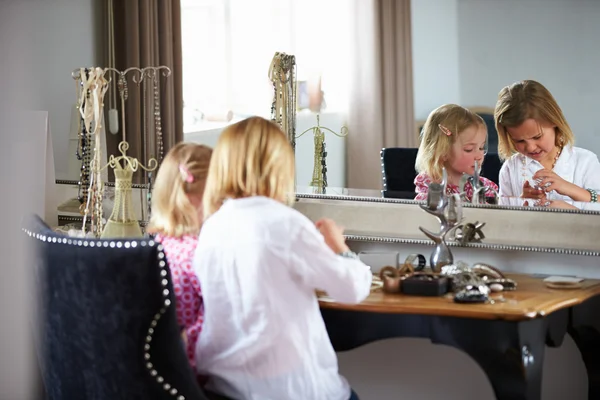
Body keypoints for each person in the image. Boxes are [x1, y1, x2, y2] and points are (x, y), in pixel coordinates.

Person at [193, 116, 371, 400]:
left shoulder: (211, 228)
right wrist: (340, 248)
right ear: (279, 165)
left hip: (227, 389)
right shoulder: (286, 224)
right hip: (291, 390)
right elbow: (351, 290)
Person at [146, 142, 213, 373]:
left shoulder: (154, 244)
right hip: (190, 372)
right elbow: (221, 322)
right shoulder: (200, 255)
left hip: (157, 371)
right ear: (194, 198)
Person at [494, 79, 600, 208]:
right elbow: (504, 218)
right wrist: (522, 202)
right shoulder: (511, 168)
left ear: (554, 121)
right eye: (519, 141)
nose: (531, 147)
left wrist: (570, 190)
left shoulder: (586, 161)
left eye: (537, 137)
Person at [415, 104, 498, 201]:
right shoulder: (430, 186)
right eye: (469, 149)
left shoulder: (485, 187)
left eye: (481, 148)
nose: (479, 156)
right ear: (443, 151)